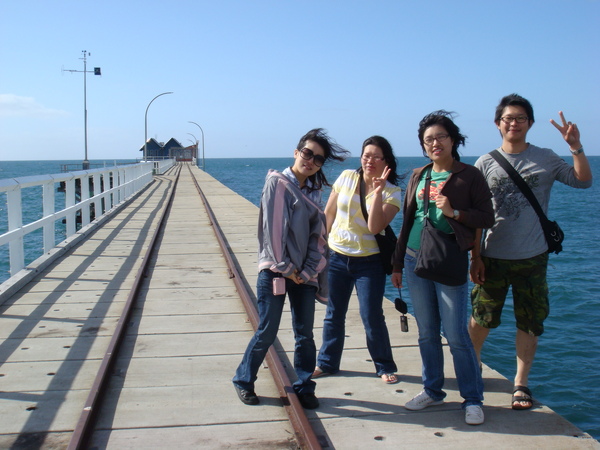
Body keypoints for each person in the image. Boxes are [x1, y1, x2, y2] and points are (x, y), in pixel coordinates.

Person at [469, 94, 593, 410]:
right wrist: (475, 256)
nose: (514, 123)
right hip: (493, 255)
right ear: (498, 123)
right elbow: (478, 216)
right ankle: (474, 365)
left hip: (533, 257)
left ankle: (520, 383)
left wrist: (575, 147)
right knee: (481, 317)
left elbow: (583, 181)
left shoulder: (546, 157)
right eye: (508, 118)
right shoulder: (484, 163)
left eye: (520, 118)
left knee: (530, 321)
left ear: (530, 123)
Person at [232, 128, 349, 409]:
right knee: (267, 331)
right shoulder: (278, 183)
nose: (310, 161)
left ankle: (304, 385)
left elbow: (317, 238)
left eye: (318, 159)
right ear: (297, 152)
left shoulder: (313, 190)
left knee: (304, 334)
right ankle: (244, 379)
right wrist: (287, 269)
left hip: (303, 275)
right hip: (276, 271)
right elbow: (272, 233)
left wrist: (306, 272)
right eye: (307, 154)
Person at [391, 111, 494, 425]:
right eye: (428, 140)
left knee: (456, 334)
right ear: (423, 146)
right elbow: (407, 220)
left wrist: (454, 212)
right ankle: (432, 389)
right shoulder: (419, 175)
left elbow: (486, 218)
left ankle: (472, 398)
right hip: (413, 259)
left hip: (448, 261)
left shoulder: (469, 175)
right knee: (426, 333)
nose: (435, 143)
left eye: (440, 137)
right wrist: (396, 264)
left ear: (453, 140)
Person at [313, 136, 402, 384]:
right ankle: (327, 363)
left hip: (369, 263)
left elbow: (375, 227)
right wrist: (320, 248)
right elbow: (329, 213)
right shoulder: (346, 177)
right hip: (338, 258)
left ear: (386, 161)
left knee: (371, 315)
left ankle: (384, 366)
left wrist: (379, 190)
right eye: (366, 155)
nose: (369, 160)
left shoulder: (393, 192)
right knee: (333, 313)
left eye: (376, 156)